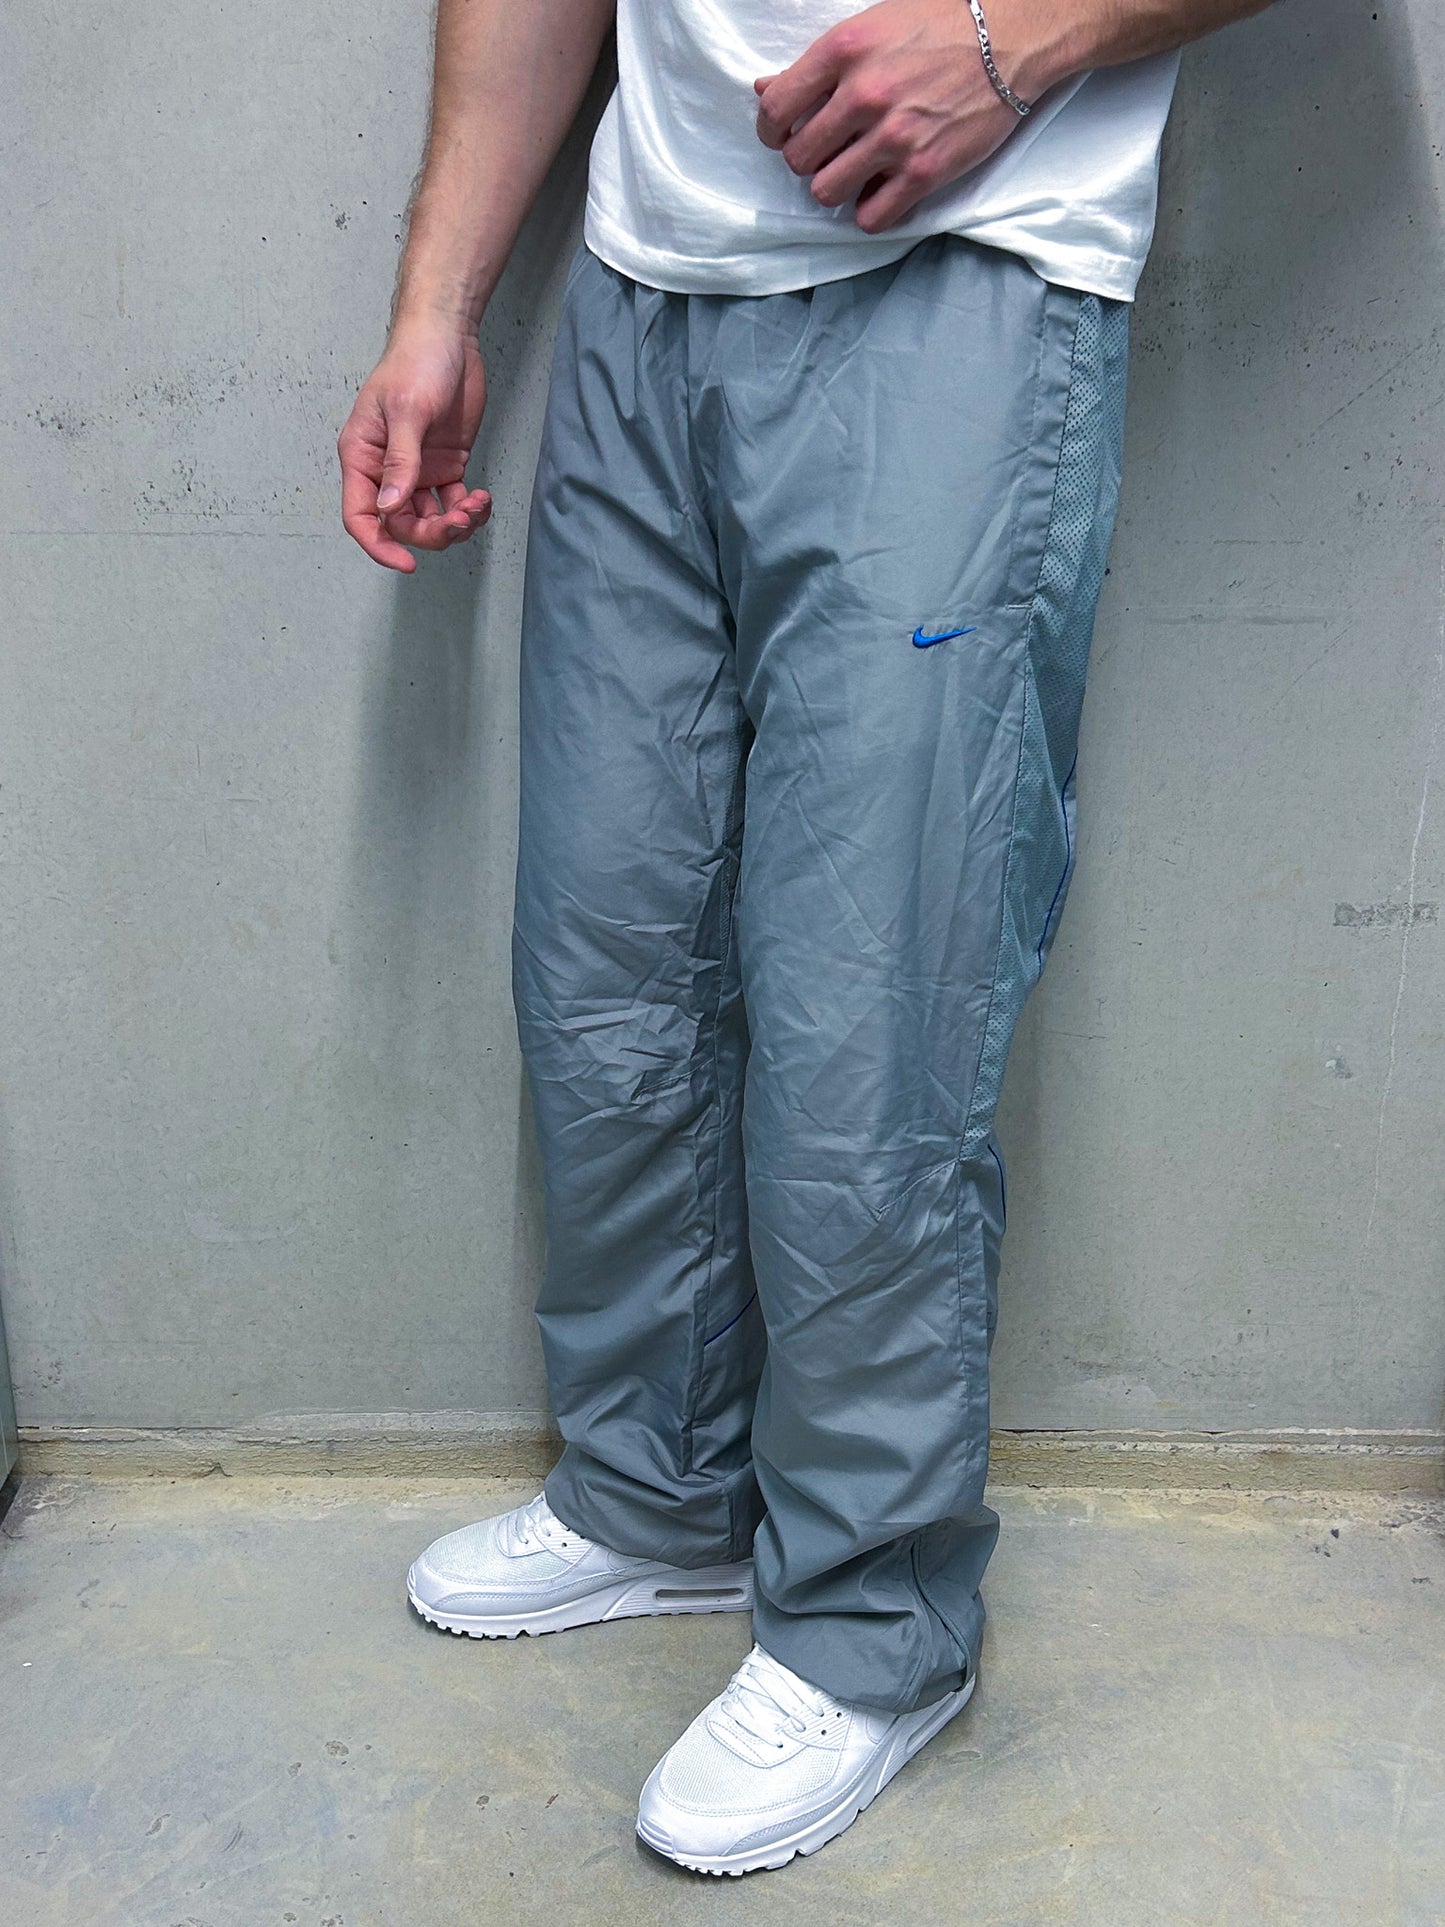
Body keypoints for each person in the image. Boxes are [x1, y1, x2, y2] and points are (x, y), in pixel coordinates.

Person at [339, 0, 1270, 1877]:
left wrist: (1014, 46)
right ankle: (661, 1482)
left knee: (872, 1017)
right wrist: (438, 304)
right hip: (643, 291)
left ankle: (870, 1621)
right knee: (609, 967)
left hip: (965, 272)